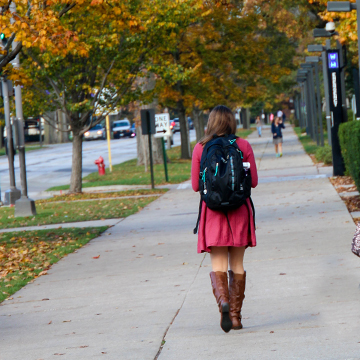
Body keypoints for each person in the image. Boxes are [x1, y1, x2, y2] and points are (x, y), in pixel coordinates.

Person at [191, 105, 258, 333]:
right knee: (237, 265)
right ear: (231, 122)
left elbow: (194, 186)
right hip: (239, 212)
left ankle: (224, 304)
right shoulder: (244, 145)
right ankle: (236, 317)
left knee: (218, 264)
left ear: (210, 122)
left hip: (213, 215)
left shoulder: (201, 148)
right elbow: (254, 182)